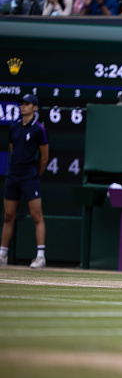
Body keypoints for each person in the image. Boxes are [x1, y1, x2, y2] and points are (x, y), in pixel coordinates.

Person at [0, 94, 48, 269]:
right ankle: (2, 254)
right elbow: (13, 150)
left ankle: (40, 256)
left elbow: (44, 158)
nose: (23, 107)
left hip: (30, 176)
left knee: (37, 216)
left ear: (35, 107)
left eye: (27, 104)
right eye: (22, 104)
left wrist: (35, 174)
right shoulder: (13, 128)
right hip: (14, 175)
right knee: (8, 215)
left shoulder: (39, 130)